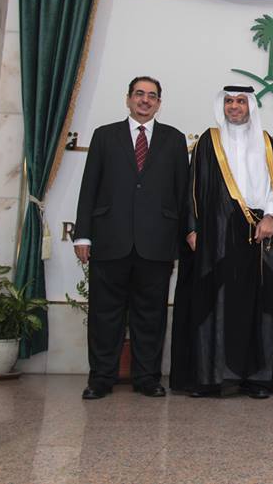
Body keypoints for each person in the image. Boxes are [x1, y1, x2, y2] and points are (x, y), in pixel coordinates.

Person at [73, 76, 189, 399]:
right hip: (110, 239)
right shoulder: (104, 136)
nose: (145, 100)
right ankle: (100, 378)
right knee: (104, 314)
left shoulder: (174, 139)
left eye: (152, 96)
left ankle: (147, 378)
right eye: (139, 94)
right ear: (128, 99)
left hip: (156, 243)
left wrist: (182, 238)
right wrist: (83, 235)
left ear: (159, 103)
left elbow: (182, 194)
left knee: (151, 315)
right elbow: (89, 187)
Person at [170, 85, 273, 398]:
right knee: (214, 304)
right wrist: (192, 229)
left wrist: (270, 218)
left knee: (257, 305)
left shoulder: (265, 141)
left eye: (241, 102)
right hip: (216, 235)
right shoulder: (209, 140)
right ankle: (211, 378)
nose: (234, 107)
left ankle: (256, 379)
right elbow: (193, 187)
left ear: (251, 106)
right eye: (229, 101)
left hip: (257, 235)